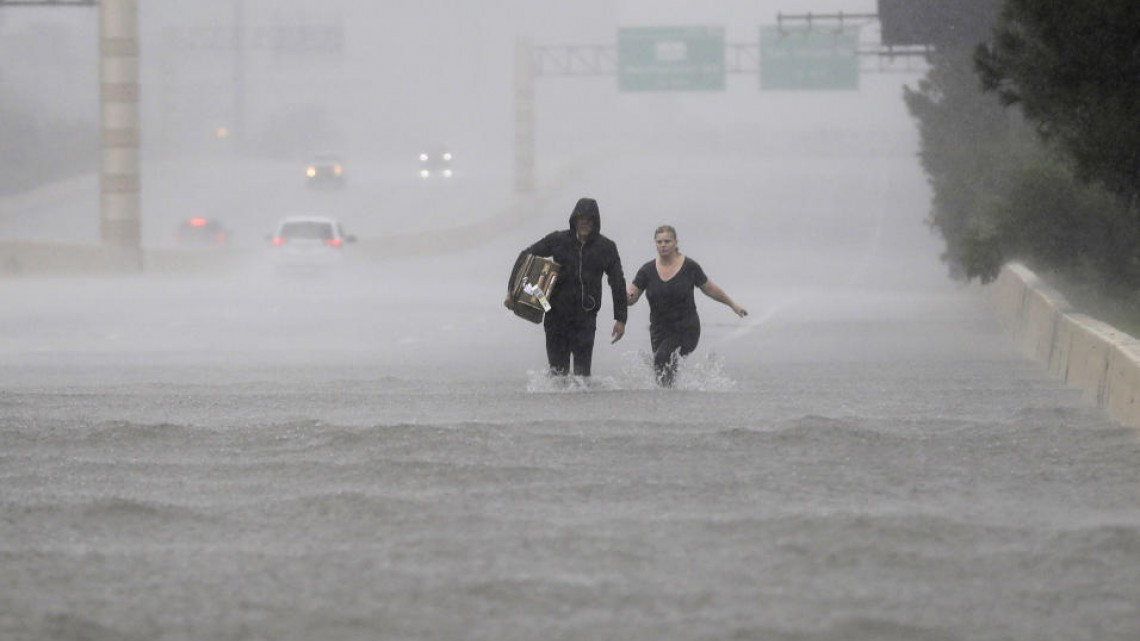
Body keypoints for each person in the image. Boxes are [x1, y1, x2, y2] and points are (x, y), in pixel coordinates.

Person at [505, 197, 627, 377]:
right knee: (557, 374)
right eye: (581, 218)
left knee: (582, 376)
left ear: (595, 222)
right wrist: (512, 290)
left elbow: (617, 282)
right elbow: (526, 254)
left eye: (589, 219)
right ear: (574, 219)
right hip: (555, 315)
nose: (585, 223)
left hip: (586, 318)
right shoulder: (559, 239)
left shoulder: (606, 247)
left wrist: (621, 319)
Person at [626, 224, 747, 386]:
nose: (663, 245)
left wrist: (732, 304)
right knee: (664, 369)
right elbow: (631, 297)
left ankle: (667, 396)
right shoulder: (647, 270)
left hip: (686, 328)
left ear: (676, 242)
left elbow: (710, 289)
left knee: (662, 359)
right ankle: (673, 396)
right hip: (659, 330)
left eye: (667, 241)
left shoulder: (690, 267)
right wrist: (625, 297)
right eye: (659, 242)